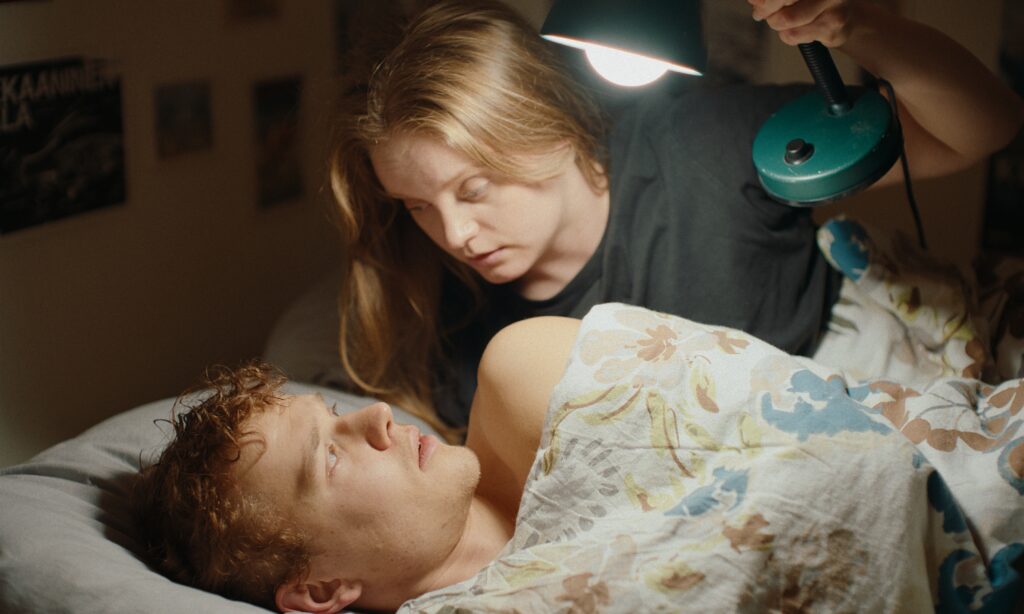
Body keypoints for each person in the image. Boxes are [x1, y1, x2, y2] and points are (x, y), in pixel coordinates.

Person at [330, 0, 1024, 434]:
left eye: (475, 188)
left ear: (554, 128)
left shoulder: (702, 144)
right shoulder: (462, 322)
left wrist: (857, 27)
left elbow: (982, 128)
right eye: (418, 207)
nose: (454, 235)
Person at [131, 316, 580, 613]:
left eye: (333, 414)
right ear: (320, 589)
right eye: (330, 456)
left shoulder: (527, 374)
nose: (378, 414)